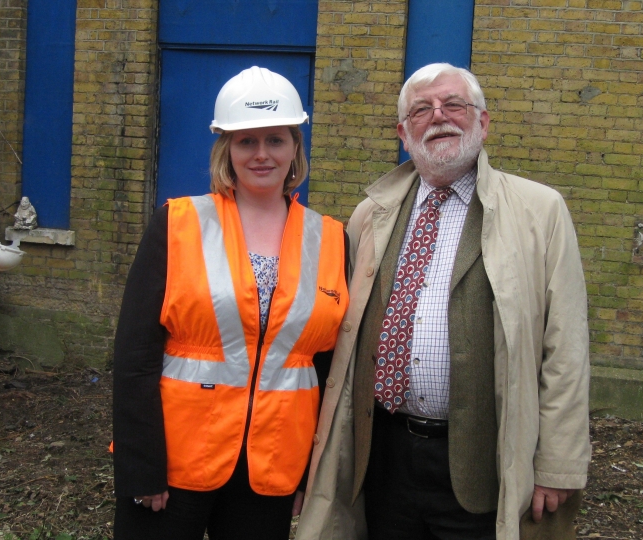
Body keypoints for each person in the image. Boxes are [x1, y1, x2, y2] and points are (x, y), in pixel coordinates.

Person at [296, 63, 590, 540]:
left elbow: (566, 350)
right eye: (421, 110)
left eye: (454, 104)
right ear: (402, 131)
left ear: (483, 121)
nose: (439, 117)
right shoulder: (371, 213)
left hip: (482, 460)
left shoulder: (541, 212)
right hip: (384, 454)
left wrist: (557, 463)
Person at [112, 66, 349, 539]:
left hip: (272, 466)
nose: (262, 154)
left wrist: (306, 470)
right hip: (176, 462)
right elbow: (134, 356)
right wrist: (142, 467)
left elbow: (324, 367)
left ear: (295, 148)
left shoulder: (332, 239)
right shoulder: (178, 224)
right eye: (246, 142)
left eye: (276, 140)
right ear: (227, 149)